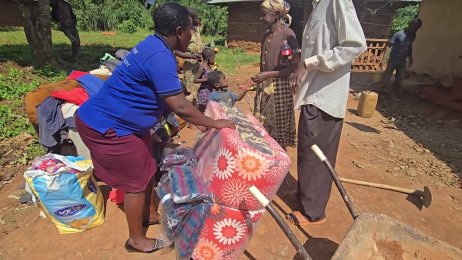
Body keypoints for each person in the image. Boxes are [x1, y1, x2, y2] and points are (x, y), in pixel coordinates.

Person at [75, 3, 234, 253]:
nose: (192, 36)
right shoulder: (160, 57)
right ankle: (136, 240)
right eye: (191, 30)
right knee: (136, 182)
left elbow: (164, 97)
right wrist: (213, 123)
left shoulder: (153, 44)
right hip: (109, 126)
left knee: (149, 163)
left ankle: (148, 213)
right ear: (180, 31)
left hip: (121, 121)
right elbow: (179, 105)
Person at [288, 0, 367, 226]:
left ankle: (314, 211)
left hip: (326, 95)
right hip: (313, 92)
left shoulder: (336, 1)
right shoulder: (317, 6)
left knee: (316, 154)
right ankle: (304, 196)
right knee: (306, 151)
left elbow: (354, 44)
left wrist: (309, 63)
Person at [251, 0, 301, 150]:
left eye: (264, 14)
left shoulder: (288, 34)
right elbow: (263, 62)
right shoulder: (267, 34)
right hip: (264, 86)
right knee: (264, 127)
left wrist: (267, 75)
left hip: (280, 89)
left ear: (277, 14)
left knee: (279, 131)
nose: (261, 18)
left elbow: (294, 67)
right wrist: (261, 77)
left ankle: (279, 164)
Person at [378, 18, 423, 99]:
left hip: (402, 60)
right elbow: (388, 45)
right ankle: (379, 94)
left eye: (418, 28)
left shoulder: (413, 35)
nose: (416, 29)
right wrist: (384, 59)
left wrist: (411, 58)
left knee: (399, 78)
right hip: (393, 59)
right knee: (387, 77)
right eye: (415, 27)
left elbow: (409, 46)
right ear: (410, 25)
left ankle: (394, 94)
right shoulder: (398, 34)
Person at [195, 47, 216, 112]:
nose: (214, 60)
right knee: (203, 110)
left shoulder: (209, 67)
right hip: (203, 93)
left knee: (209, 110)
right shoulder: (202, 68)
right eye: (213, 58)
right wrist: (207, 79)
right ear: (209, 58)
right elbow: (195, 80)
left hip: (210, 91)